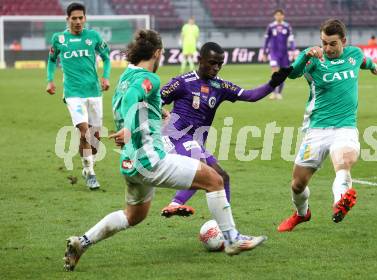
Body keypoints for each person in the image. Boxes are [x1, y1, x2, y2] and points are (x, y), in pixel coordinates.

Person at [63, 30, 268, 272]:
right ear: (158, 53)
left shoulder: (126, 75)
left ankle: (82, 242)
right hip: (152, 160)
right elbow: (133, 98)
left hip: (130, 162)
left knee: (133, 215)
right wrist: (130, 129)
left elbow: (137, 99)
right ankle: (232, 239)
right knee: (215, 179)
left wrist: (158, 114)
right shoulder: (150, 79)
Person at [160, 42, 292, 218]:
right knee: (202, 167)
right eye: (212, 62)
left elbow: (251, 96)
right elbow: (154, 100)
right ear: (200, 60)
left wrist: (273, 83)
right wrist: (161, 112)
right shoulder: (182, 82)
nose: (216, 68)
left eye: (220, 64)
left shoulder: (220, 86)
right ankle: (175, 204)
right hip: (174, 137)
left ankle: (224, 226)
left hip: (194, 142)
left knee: (221, 177)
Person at [277, 18, 377, 232]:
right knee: (297, 184)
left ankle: (340, 202)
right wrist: (306, 54)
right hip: (316, 129)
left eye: (332, 43)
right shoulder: (314, 58)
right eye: (324, 42)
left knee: (343, 163)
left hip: (345, 127)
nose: (327, 48)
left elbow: (363, 61)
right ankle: (302, 214)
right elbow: (293, 73)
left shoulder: (354, 54)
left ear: (343, 41)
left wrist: (374, 66)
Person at [46, 2, 111, 189]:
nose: (77, 21)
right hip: (73, 93)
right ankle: (90, 172)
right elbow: (51, 60)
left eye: (80, 18)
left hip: (94, 92)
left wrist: (105, 77)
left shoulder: (93, 37)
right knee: (85, 132)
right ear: (67, 19)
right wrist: (50, 80)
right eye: (73, 18)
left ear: (85, 18)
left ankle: (87, 164)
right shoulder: (58, 38)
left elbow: (107, 58)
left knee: (95, 139)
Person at [262, 9, 296, 100]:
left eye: (280, 15)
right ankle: (273, 93)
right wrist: (265, 52)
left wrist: (293, 50)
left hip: (284, 54)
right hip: (273, 53)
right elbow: (266, 40)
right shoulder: (271, 26)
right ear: (274, 16)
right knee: (274, 72)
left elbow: (292, 40)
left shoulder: (287, 26)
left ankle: (279, 93)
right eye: (277, 15)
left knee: (283, 74)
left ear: (283, 16)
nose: (278, 16)